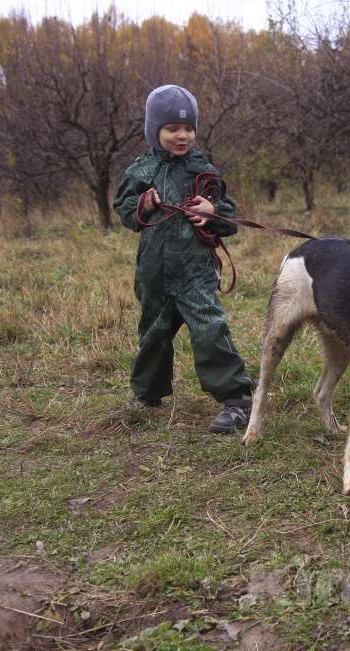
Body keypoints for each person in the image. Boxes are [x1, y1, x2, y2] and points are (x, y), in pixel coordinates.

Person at [113, 84, 253, 433]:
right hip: (154, 270)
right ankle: (147, 394)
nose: (182, 135)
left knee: (209, 329)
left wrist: (213, 212)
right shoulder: (140, 172)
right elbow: (126, 212)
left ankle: (237, 400)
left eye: (188, 128)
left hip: (195, 269)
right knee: (153, 333)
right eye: (172, 129)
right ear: (154, 130)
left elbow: (230, 218)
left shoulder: (203, 171)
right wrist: (142, 205)